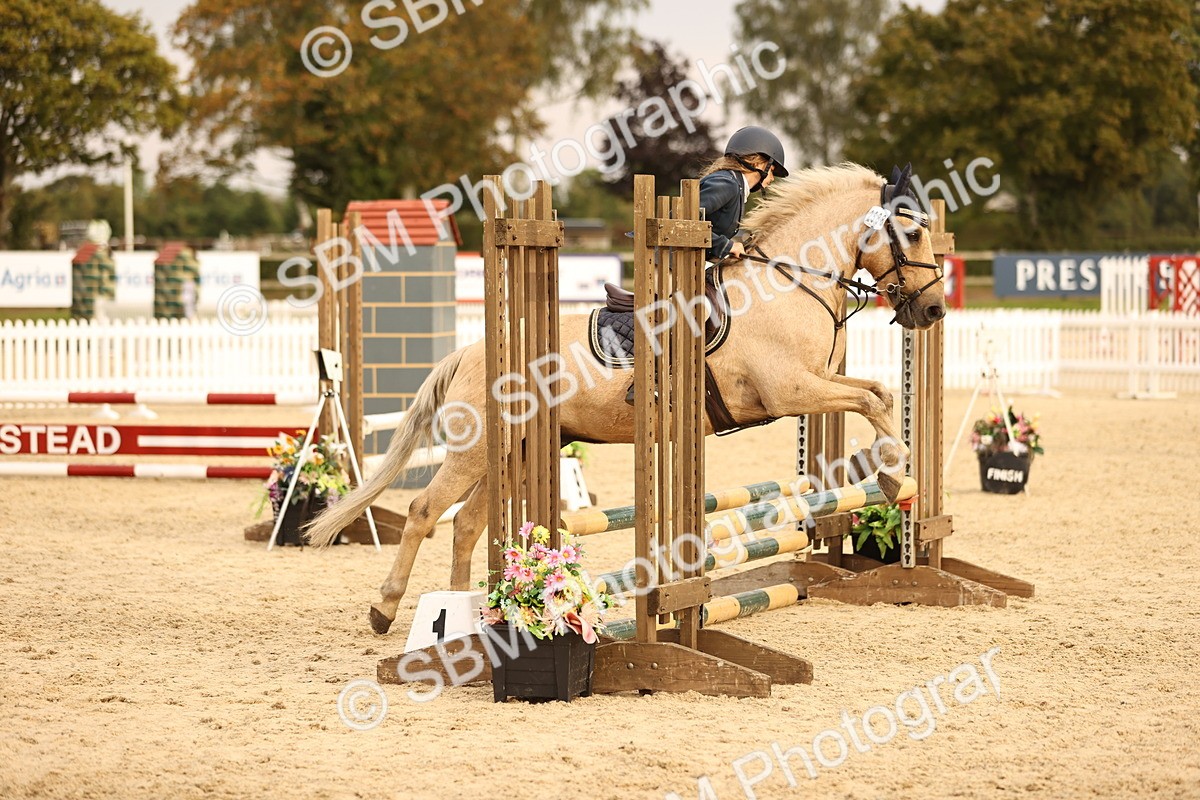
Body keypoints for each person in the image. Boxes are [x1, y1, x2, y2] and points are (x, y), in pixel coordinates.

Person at [698, 126, 789, 263]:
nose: (772, 178)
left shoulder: (736, 186)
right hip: (672, 267)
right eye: (772, 171)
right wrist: (726, 246)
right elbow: (683, 222)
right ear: (757, 163)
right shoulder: (728, 184)